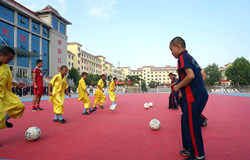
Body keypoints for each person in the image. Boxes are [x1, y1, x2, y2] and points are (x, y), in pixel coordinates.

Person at [170, 37, 208, 160]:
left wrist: (177, 87)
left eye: (171, 50)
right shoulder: (191, 58)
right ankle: (189, 149)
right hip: (200, 95)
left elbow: (190, 76)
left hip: (194, 98)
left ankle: (198, 156)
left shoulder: (182, 57)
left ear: (178, 47)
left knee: (192, 125)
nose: (171, 53)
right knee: (185, 121)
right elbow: (203, 75)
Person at [0, 46, 25, 129]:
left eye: (11, 59)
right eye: (8, 58)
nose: (9, 61)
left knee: (19, 107)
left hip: (5, 94)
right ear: (1, 55)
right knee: (0, 115)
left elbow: (8, 81)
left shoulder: (6, 67)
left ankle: (5, 120)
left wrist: (16, 84)